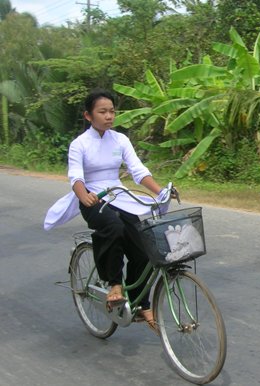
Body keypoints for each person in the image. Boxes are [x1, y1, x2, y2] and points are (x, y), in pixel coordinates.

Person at [44, 89, 169, 333]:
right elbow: (76, 177)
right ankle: (114, 285)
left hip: (118, 194)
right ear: (88, 116)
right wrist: (84, 196)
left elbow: (138, 170)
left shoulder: (120, 140)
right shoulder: (79, 144)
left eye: (112, 111)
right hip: (92, 197)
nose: (109, 116)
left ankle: (139, 302)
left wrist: (160, 190)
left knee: (143, 246)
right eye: (102, 112)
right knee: (113, 227)